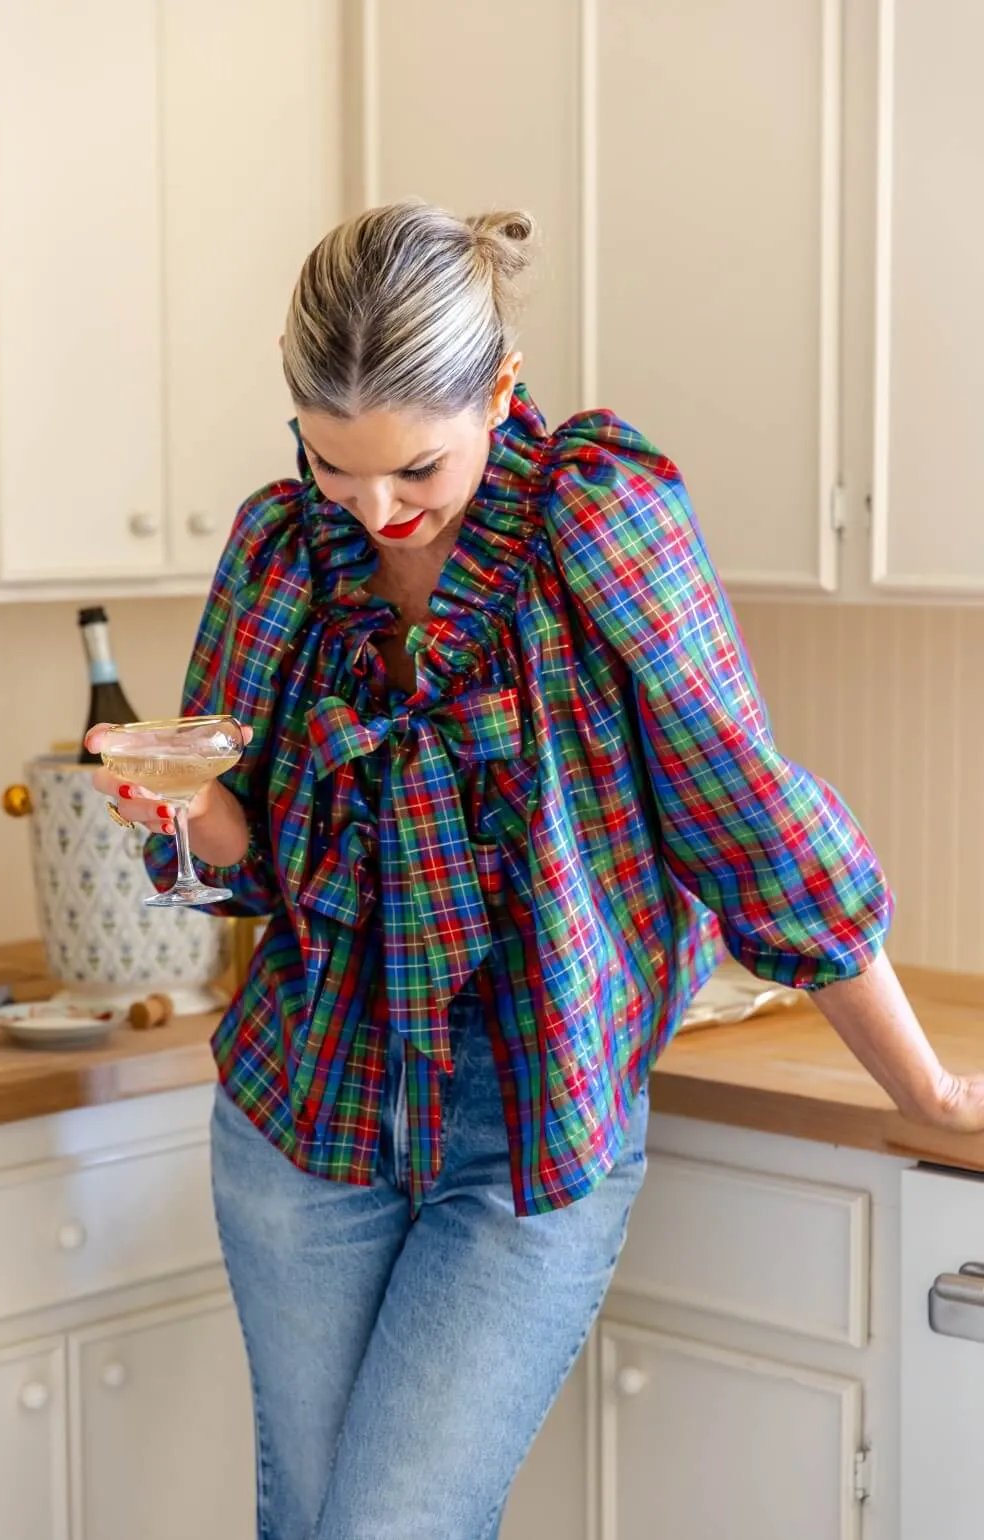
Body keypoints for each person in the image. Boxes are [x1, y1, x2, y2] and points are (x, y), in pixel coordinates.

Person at [87, 199, 984, 1540]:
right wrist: (178, 804)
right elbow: (259, 866)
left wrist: (925, 1086)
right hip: (305, 1123)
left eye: (416, 472)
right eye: (333, 464)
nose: (373, 509)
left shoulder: (598, 524)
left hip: (529, 1136)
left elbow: (746, 813)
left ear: (500, 395)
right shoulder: (282, 549)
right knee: (318, 1522)